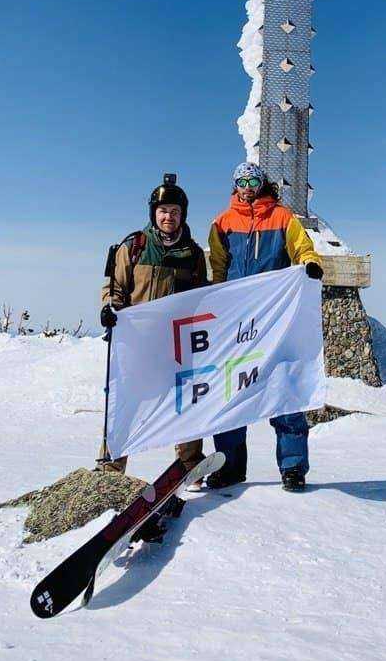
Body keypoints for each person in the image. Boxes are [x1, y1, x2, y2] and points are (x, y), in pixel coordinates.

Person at [206, 161, 324, 492]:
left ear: (262, 182)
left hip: (274, 319)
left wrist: (310, 263)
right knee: (232, 392)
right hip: (237, 322)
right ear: (234, 184)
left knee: (283, 389)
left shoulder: (283, 217)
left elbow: (302, 247)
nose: (247, 185)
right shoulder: (222, 222)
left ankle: (293, 467)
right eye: (241, 180)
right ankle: (230, 467)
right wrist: (216, 301)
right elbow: (218, 265)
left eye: (252, 179)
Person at [99, 173, 208, 475]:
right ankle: (112, 464)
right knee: (126, 402)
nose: (168, 217)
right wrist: (110, 309)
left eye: (174, 211)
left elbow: (202, 297)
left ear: (182, 214)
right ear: (154, 214)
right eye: (163, 211)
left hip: (176, 343)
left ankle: (189, 464)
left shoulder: (194, 254)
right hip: (137, 342)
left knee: (186, 399)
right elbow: (115, 287)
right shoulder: (134, 246)